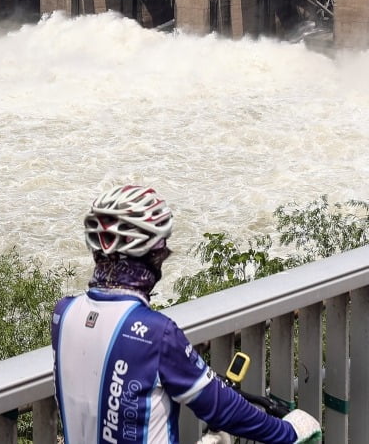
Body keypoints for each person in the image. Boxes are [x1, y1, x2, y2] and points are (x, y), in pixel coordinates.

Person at [51, 184, 322, 444]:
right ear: (150, 254)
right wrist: (287, 432)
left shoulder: (63, 314)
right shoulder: (157, 334)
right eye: (161, 247)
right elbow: (220, 407)